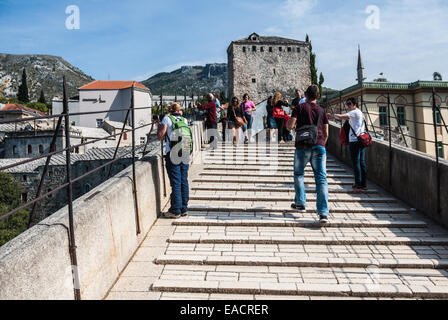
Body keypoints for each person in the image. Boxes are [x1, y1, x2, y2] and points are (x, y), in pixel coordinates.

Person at [286, 85, 330, 223]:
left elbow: (289, 126)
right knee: (321, 178)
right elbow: (326, 132)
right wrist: (321, 143)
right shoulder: (322, 110)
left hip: (302, 146)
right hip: (319, 146)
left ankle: (300, 203)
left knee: (299, 174)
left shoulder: (299, 108)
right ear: (318, 96)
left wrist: (291, 124)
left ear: (305, 94)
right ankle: (323, 213)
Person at [156, 102, 192, 219]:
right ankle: (184, 208)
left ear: (170, 109)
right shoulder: (184, 120)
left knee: (175, 182)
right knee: (183, 180)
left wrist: (159, 125)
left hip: (173, 153)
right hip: (185, 152)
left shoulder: (167, 118)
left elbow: (160, 135)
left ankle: (175, 210)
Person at [329, 98, 367, 191]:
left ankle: (358, 184)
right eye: (347, 104)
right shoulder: (360, 113)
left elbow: (341, 117)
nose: (348, 106)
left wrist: (331, 115)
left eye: (349, 104)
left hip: (355, 141)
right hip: (362, 139)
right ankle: (363, 184)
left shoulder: (354, 112)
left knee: (356, 162)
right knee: (361, 162)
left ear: (355, 104)